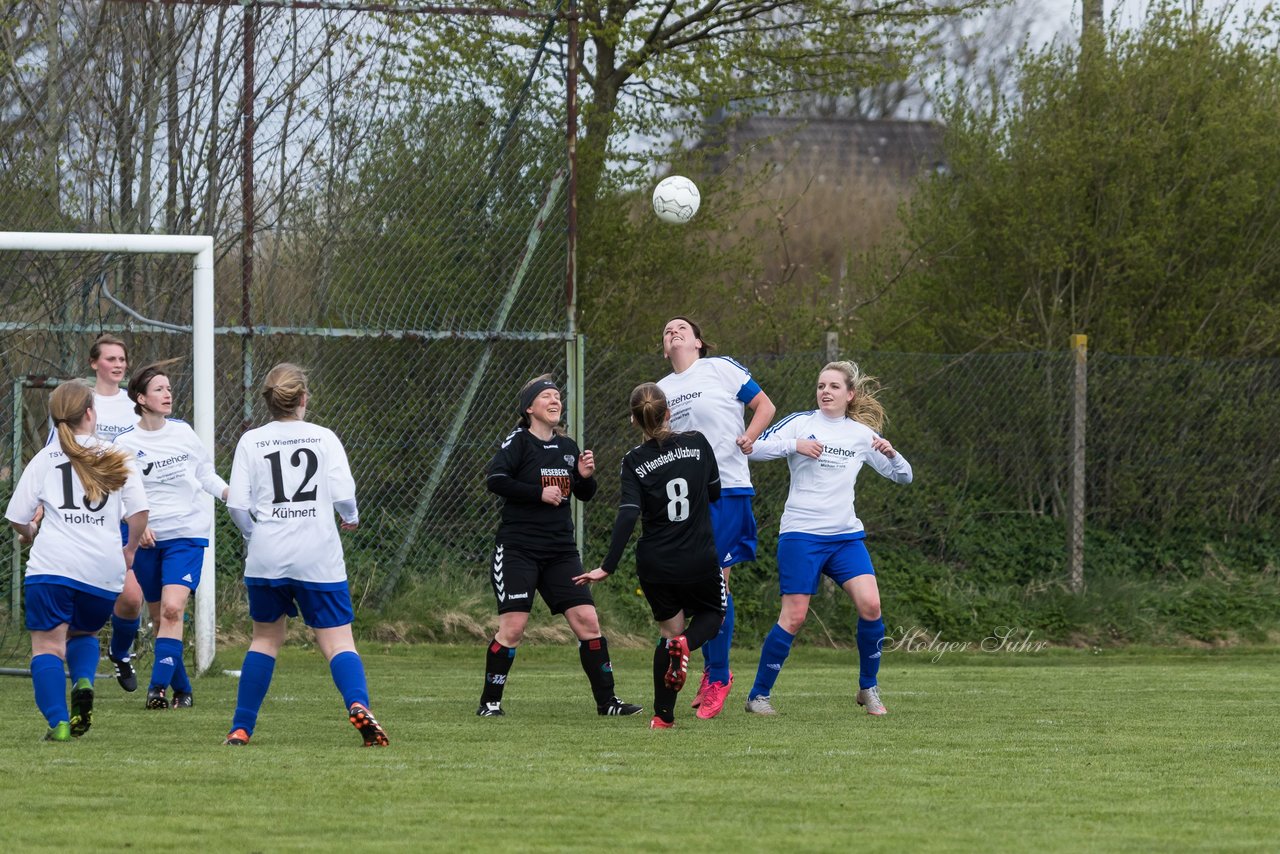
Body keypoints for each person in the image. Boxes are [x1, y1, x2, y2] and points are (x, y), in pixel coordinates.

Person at [222, 363, 388, 747]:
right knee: (338, 642)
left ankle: (241, 727)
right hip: (317, 556)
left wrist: (254, 534)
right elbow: (345, 495)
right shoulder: (323, 437)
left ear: (268, 400)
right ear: (303, 399)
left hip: (267, 555)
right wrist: (351, 517)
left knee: (264, 640)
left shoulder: (252, 441)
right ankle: (359, 705)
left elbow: (237, 504)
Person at [743, 361, 913, 716]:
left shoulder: (861, 435)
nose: (825, 391)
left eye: (834, 386)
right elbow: (752, 448)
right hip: (801, 534)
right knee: (794, 616)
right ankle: (758, 696)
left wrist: (892, 454)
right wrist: (794, 445)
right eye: (821, 385)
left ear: (849, 395)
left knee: (871, 606)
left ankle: (868, 688)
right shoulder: (801, 423)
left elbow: (904, 477)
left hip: (845, 537)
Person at [477, 374, 641, 718]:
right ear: (529, 408)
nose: (555, 401)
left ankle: (607, 702)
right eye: (547, 397)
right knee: (514, 628)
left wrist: (583, 476)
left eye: (557, 397)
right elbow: (496, 479)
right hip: (518, 549)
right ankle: (490, 703)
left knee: (587, 620)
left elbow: (585, 494)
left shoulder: (567, 447)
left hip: (560, 552)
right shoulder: (518, 441)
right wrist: (538, 492)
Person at [573, 383, 725, 730]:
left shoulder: (633, 460)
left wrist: (607, 566)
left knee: (668, 632)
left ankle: (663, 717)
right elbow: (714, 491)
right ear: (668, 412)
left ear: (633, 420)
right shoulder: (698, 442)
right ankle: (686, 645)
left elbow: (628, 513)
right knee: (713, 614)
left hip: (656, 562)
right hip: (698, 555)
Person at [5, 380, 149, 741]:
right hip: (102, 569)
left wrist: (28, 533)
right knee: (84, 633)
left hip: (52, 567)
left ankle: (58, 723)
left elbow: (17, 516)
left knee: (47, 647)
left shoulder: (45, 458)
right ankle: (83, 680)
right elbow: (140, 512)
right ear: (89, 412)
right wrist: (129, 550)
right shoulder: (116, 454)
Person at [656, 316, 775, 719]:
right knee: (699, 587)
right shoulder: (661, 390)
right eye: (667, 330)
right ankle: (713, 670)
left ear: (699, 342)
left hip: (726, 488)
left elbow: (765, 405)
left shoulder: (719, 369)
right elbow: (657, 444)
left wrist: (751, 435)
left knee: (715, 582)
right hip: (685, 498)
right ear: (664, 346)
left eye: (681, 329)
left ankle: (718, 676)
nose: (673, 332)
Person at [113, 361, 229, 710]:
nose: (168, 394)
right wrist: (137, 522)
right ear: (141, 398)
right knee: (159, 618)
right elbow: (116, 495)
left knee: (174, 610)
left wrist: (228, 493)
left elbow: (205, 473)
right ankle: (183, 689)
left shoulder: (183, 432)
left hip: (186, 535)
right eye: (159, 389)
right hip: (146, 540)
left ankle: (157, 690)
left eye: (169, 389)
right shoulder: (123, 443)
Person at [79, 334, 146, 693]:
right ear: (94, 363)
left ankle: (120, 653)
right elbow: (55, 450)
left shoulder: (133, 405)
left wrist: (142, 514)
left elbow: (148, 453)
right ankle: (68, 660)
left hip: (120, 514)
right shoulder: (80, 403)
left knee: (131, 596)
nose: (118, 364)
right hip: (83, 513)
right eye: (110, 359)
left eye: (122, 358)